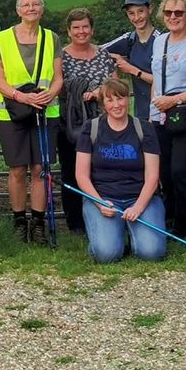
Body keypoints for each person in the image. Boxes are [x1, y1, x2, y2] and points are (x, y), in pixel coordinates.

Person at [0, 0, 62, 244]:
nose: (31, 8)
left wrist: (48, 95)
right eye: (26, 5)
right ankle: (19, 220)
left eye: (36, 4)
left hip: (44, 111)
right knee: (18, 169)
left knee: (41, 168)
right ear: (18, 10)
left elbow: (58, 77)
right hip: (11, 112)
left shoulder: (52, 38)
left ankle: (39, 223)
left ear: (42, 8)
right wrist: (21, 97)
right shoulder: (2, 39)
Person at [74, 79, 165, 263]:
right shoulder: (91, 128)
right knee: (106, 255)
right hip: (104, 198)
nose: (117, 105)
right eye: (110, 100)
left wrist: (138, 207)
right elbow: (81, 175)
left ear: (128, 99)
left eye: (120, 98)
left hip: (140, 198)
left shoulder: (144, 129)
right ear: (103, 105)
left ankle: (133, 233)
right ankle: (111, 234)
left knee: (151, 253)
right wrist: (100, 203)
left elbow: (153, 175)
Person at [149, 0, 186, 242]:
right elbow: (157, 78)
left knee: (181, 171)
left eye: (179, 13)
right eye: (169, 13)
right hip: (159, 116)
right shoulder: (159, 41)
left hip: (184, 114)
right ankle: (170, 223)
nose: (173, 17)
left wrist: (174, 100)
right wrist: (155, 108)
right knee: (164, 173)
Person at [55, 8, 116, 235]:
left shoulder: (104, 55)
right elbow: (57, 87)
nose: (81, 32)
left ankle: (102, 214)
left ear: (92, 29)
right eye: (76, 28)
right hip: (72, 123)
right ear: (69, 31)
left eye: (85, 27)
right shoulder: (60, 57)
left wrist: (100, 91)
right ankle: (76, 224)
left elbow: (116, 86)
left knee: (101, 169)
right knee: (72, 170)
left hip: (103, 122)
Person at [102, 0, 160, 120]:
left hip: (161, 111)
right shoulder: (129, 39)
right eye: (131, 13)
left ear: (150, 10)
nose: (137, 17)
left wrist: (132, 70)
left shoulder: (161, 41)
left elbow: (164, 80)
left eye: (141, 11)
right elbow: (96, 52)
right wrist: (116, 61)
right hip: (140, 113)